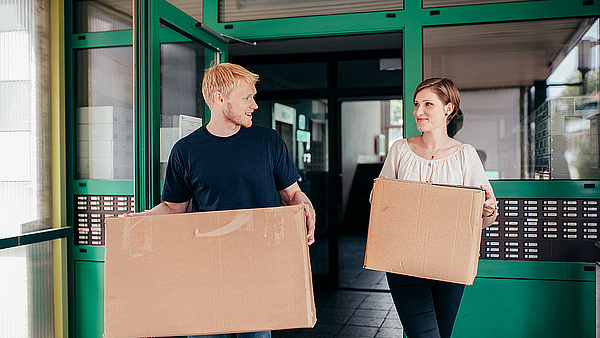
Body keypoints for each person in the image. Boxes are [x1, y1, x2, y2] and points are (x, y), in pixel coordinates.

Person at [126, 62, 316, 338]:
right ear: (219, 98)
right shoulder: (186, 151)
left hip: (258, 267)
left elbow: (292, 193)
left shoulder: (268, 142)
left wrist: (305, 206)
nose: (254, 105)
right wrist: (139, 220)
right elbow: (173, 207)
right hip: (206, 270)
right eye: (246, 97)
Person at [377, 78, 496, 338]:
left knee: (441, 334)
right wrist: (379, 196)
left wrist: (487, 211)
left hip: (450, 262)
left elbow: (484, 216)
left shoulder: (466, 154)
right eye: (416, 104)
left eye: (427, 104)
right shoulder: (399, 150)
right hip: (403, 261)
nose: (418, 112)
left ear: (448, 108)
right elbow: (381, 207)